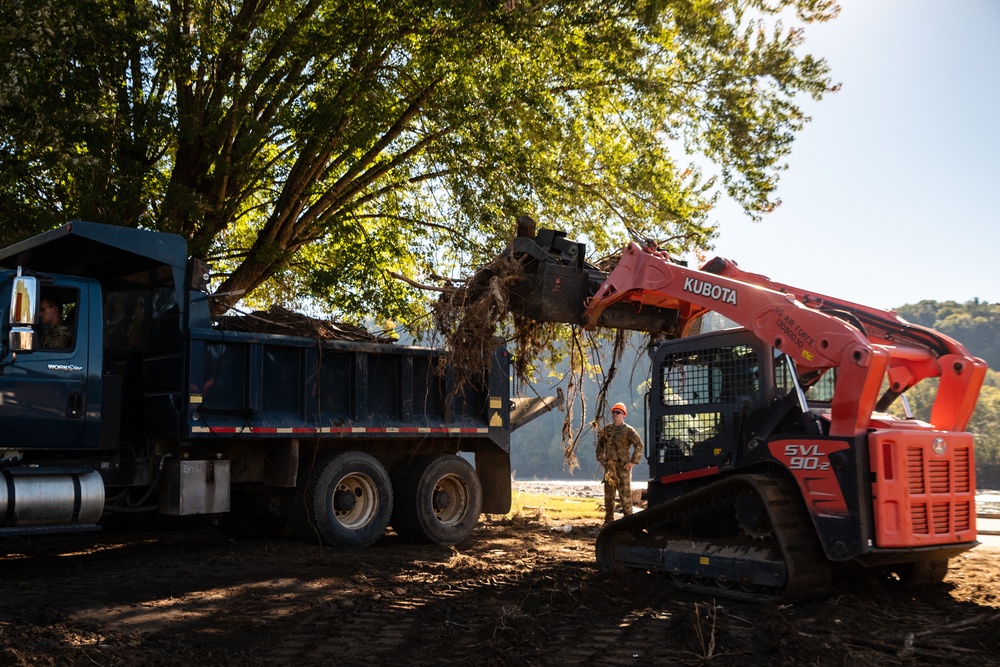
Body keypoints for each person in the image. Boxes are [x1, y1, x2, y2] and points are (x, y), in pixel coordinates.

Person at [596, 402, 644, 525]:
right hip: (610, 469)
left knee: (625, 497)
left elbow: (639, 445)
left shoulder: (628, 431)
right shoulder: (606, 430)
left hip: (623, 469)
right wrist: (601, 459)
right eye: (614, 412)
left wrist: (632, 462)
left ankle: (629, 523)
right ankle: (608, 522)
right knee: (609, 497)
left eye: (618, 412)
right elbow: (599, 446)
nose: (615, 414)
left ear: (624, 415)